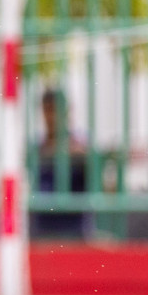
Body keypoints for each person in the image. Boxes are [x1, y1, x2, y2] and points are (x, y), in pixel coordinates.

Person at [31, 88, 92, 241]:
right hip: (42, 229)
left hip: (74, 230)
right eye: (47, 110)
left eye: (55, 110)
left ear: (67, 111)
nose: (51, 117)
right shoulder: (36, 149)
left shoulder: (80, 147)